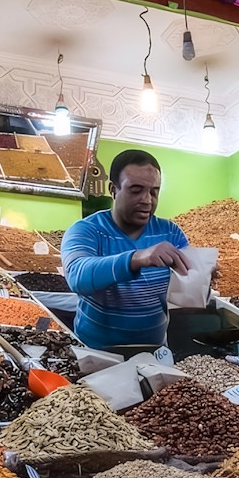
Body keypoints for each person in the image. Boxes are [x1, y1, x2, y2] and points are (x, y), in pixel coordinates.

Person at [61, 149, 191, 350]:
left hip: (155, 352)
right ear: (113, 190)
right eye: (136, 190)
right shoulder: (86, 230)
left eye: (154, 191)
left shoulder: (171, 233)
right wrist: (137, 258)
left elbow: (185, 291)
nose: (147, 200)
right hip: (97, 353)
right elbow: (77, 276)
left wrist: (201, 277)